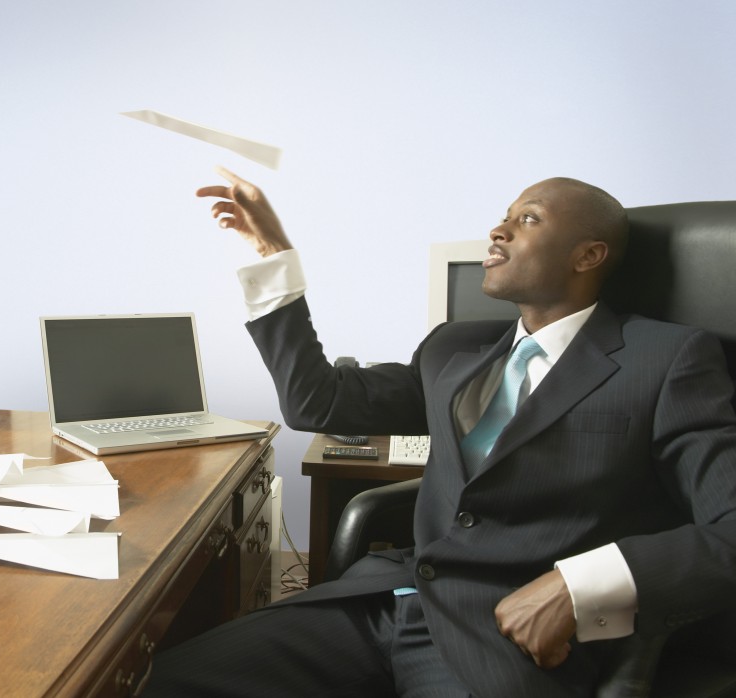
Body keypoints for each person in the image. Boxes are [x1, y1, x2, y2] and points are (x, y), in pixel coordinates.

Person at [142, 168, 736, 697]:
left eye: (526, 220)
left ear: (588, 255)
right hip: (389, 601)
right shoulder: (454, 351)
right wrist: (271, 253)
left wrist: (573, 587)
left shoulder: (668, 358)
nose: (497, 232)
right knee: (159, 683)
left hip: (506, 635)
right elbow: (314, 402)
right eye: (501, 219)